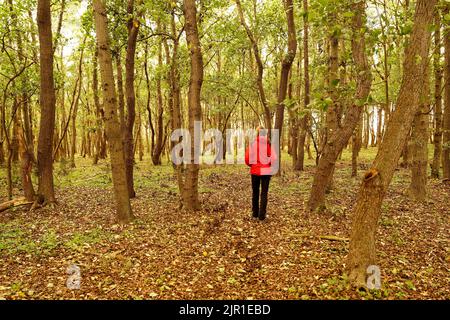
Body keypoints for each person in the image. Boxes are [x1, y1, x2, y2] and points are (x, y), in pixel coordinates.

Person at [244, 127, 277, 221]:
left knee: (255, 192)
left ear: (257, 133)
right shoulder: (268, 144)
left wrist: (253, 165)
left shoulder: (253, 144)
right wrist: (268, 164)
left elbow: (247, 158)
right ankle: (262, 216)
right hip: (266, 171)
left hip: (255, 171)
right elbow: (274, 158)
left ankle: (255, 215)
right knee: (264, 193)